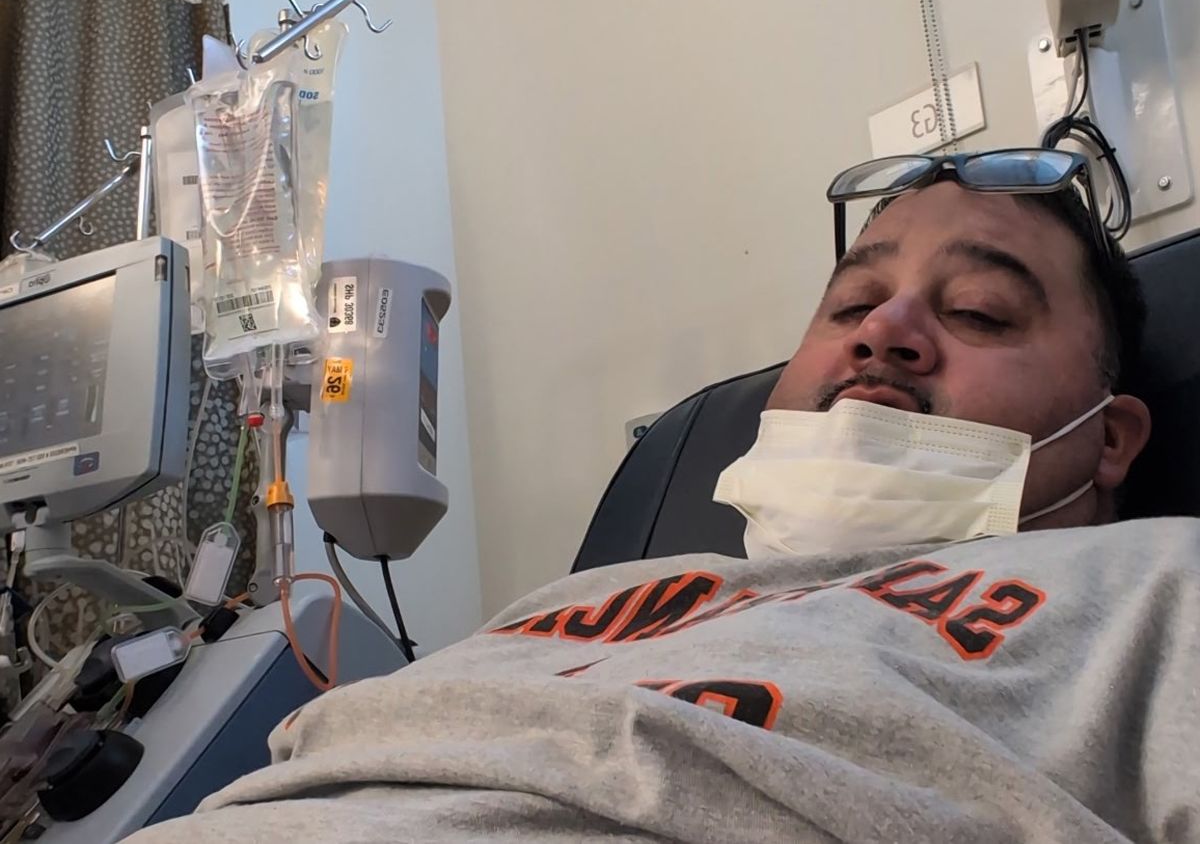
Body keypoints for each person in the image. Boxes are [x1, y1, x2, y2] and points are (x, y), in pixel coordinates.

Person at [129, 151, 1200, 844]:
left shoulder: (1158, 585)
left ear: (1110, 438)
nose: (885, 330)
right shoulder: (579, 602)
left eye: (980, 311)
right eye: (851, 304)